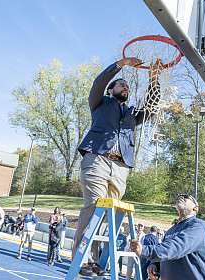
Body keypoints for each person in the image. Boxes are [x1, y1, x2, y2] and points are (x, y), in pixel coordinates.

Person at [74, 57, 162, 277]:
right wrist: (119, 65)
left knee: (107, 215)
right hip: (97, 159)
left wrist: (154, 80)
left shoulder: (132, 113)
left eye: (127, 87)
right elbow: (98, 83)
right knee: (94, 206)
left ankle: (95, 261)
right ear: (111, 89)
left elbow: (151, 109)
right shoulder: (100, 103)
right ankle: (81, 258)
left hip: (121, 167)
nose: (125, 87)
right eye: (121, 84)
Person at [129, 194, 205, 280]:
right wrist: (155, 264)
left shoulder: (198, 226)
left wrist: (145, 250)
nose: (180, 197)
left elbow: (176, 247)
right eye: (178, 197)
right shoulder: (171, 230)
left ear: (195, 208)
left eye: (186, 197)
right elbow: (166, 251)